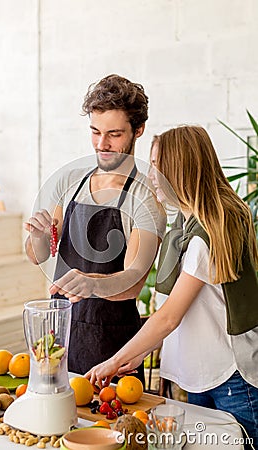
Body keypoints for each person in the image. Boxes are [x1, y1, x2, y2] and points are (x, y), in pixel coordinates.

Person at [85, 126, 258, 448]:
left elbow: (169, 316)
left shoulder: (211, 231)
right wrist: (137, 353)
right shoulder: (186, 223)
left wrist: (114, 360)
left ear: (181, 168)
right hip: (202, 372)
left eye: (158, 165)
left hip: (231, 378)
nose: (152, 175)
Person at [24, 74, 166, 383]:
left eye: (114, 134)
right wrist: (37, 235)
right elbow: (38, 255)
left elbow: (131, 284)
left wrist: (90, 283)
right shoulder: (73, 184)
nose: (102, 144)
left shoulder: (145, 200)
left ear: (137, 130)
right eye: (95, 132)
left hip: (111, 346)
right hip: (59, 336)